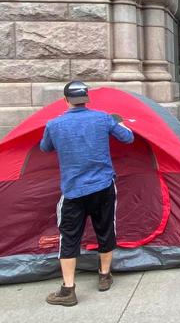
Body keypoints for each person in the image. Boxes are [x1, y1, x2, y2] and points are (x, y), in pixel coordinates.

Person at [40, 81, 134, 306]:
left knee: (69, 237)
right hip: (103, 187)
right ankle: (104, 276)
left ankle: (68, 289)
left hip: (73, 192)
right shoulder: (103, 118)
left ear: (66, 100)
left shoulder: (54, 125)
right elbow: (128, 138)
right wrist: (118, 122)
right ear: (86, 99)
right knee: (105, 228)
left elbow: (45, 148)